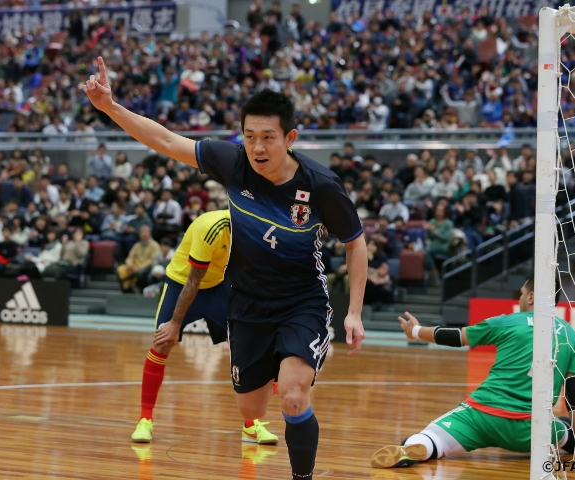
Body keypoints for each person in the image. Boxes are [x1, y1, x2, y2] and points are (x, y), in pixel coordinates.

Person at [84, 63, 367, 480]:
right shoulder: (232, 163)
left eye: (268, 137)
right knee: (251, 410)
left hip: (301, 302)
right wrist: (110, 108)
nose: (258, 147)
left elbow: (355, 242)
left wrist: (354, 312)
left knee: (292, 396)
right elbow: (164, 139)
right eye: (250, 137)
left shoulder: (321, 185)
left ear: (290, 138)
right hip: (247, 305)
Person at [372, 274, 575, 468]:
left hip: (482, 417)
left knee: (429, 438)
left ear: (531, 296)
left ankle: (417, 447)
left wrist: (417, 331)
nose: (520, 298)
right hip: (532, 429)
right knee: (565, 427)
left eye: (522, 294)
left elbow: (457, 336)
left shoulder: (507, 322)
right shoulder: (572, 338)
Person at [131, 209, 279, 445]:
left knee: (245, 348)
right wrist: (175, 324)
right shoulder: (210, 228)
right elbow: (193, 280)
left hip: (219, 287)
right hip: (182, 283)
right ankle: (144, 419)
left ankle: (251, 425)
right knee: (162, 343)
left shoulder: (257, 229)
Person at [117, 225, 159, 293]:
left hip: (147, 268)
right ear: (139, 234)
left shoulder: (155, 245)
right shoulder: (136, 245)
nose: (144, 234)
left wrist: (139, 267)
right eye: (142, 232)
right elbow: (130, 257)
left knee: (141, 273)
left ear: (150, 234)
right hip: (134, 266)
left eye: (146, 232)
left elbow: (152, 260)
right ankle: (127, 291)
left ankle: (140, 291)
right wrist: (129, 263)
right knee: (120, 270)